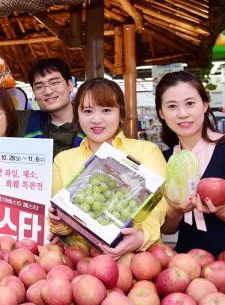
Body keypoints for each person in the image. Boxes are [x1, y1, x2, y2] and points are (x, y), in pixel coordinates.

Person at [50, 78, 168, 259]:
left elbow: (160, 205)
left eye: (106, 110)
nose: (96, 119)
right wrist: (58, 219)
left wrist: (141, 236)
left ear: (121, 114)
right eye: (87, 111)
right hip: (79, 262)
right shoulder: (63, 160)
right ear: (77, 115)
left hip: (138, 259)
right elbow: (62, 227)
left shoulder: (146, 151)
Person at [156, 71, 225, 256]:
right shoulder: (164, 159)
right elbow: (167, 230)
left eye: (190, 103)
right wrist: (175, 211)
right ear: (161, 113)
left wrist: (222, 210)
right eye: (172, 106)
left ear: (204, 105)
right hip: (186, 265)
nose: (182, 114)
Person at [17, 58, 83, 157]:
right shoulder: (24, 121)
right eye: (39, 87)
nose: (48, 91)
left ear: (69, 84)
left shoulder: (91, 121)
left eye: (54, 83)